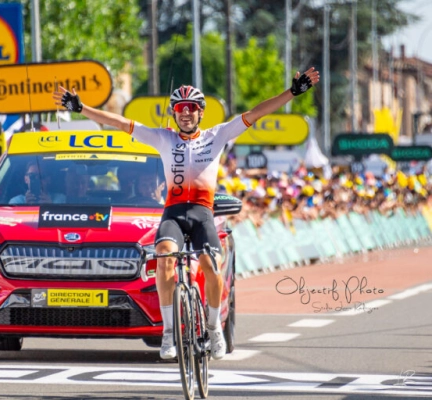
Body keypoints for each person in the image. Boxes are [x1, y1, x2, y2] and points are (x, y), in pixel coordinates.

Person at [53, 68, 319, 360]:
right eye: (180, 108)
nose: (186, 113)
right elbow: (120, 123)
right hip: (174, 215)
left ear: (201, 112)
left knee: (212, 267)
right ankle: (169, 332)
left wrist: (292, 92)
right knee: (164, 258)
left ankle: (214, 327)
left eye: (191, 107)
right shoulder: (163, 138)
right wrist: (81, 108)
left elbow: (256, 113)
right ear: (174, 113)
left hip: (203, 215)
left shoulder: (217, 136)